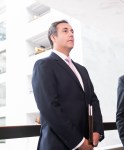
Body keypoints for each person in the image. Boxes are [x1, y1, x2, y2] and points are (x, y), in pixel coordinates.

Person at [32, 20, 104, 150]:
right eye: (65, 31)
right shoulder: (44, 65)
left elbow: (93, 101)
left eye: (72, 31)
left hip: (86, 142)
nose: (71, 34)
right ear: (53, 37)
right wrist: (78, 142)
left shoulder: (82, 69)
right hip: (57, 144)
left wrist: (96, 130)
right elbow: (49, 107)